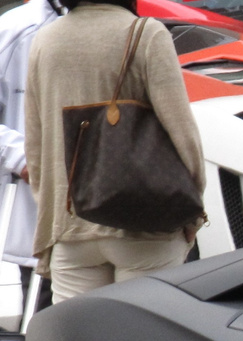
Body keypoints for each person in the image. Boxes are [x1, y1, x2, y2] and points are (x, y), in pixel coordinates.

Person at [25, 0, 204, 302]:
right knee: (146, 340)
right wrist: (193, 211)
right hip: (145, 224)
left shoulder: (46, 40)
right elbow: (182, 134)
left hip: (70, 225)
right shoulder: (146, 34)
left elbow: (36, 143)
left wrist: (51, 212)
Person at [0, 0, 59, 311]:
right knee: (46, 308)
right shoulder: (15, 29)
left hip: (102, 204)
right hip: (37, 202)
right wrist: (22, 158)